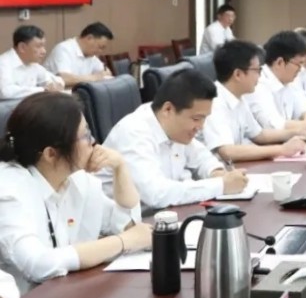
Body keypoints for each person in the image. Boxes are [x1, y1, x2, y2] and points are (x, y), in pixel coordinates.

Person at [0, 93, 151, 292]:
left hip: (68, 293)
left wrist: (120, 168)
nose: (93, 141)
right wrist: (123, 242)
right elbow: (38, 264)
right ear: (51, 154)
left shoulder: (77, 178)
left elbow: (128, 226)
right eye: (85, 136)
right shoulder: (9, 191)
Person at [101, 70, 248, 209]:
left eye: (204, 119)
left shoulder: (172, 125)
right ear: (168, 109)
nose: (201, 127)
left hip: (162, 214)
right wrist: (221, 185)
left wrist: (216, 172)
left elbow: (201, 156)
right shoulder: (134, 133)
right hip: (122, 222)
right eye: (196, 119)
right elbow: (156, 194)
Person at [201, 41, 306, 162]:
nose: (259, 76)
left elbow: (259, 135)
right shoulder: (214, 101)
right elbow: (227, 152)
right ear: (238, 74)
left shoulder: (239, 97)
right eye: (257, 70)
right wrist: (282, 149)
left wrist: (297, 133)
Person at [245, 31, 306, 132]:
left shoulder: (288, 80)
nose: (301, 69)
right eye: (299, 64)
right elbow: (273, 125)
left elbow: (304, 107)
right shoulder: (258, 83)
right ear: (280, 62)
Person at [0, 25, 64, 100]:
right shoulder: (3, 63)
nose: (44, 51)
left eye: (43, 46)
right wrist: (43, 90)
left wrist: (53, 84)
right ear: (22, 47)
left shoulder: (33, 64)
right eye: (38, 46)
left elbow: (56, 80)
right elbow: (5, 92)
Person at [44, 22, 114, 87]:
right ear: (89, 38)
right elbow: (64, 79)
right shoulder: (64, 49)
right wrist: (94, 77)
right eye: (100, 47)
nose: (100, 51)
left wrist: (103, 74)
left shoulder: (91, 55)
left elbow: (105, 73)